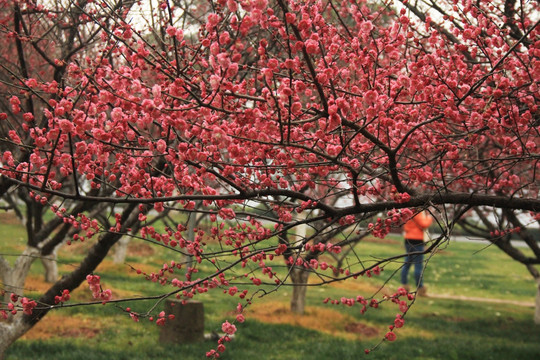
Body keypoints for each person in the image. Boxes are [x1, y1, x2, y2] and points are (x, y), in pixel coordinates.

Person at [401, 210, 432, 296]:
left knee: (407, 263)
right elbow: (424, 224)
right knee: (418, 265)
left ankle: (404, 285)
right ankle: (420, 288)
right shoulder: (416, 212)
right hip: (417, 241)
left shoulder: (406, 212)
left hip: (408, 239)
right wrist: (429, 218)